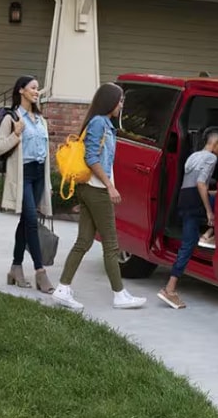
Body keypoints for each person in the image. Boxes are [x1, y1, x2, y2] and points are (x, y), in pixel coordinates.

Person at [51, 83, 146, 311]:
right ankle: (119, 295)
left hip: (90, 189)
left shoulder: (103, 123)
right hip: (96, 190)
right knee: (111, 245)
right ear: (109, 101)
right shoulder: (99, 123)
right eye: (120, 101)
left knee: (84, 241)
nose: (121, 105)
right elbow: (92, 158)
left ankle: (62, 289)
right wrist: (109, 186)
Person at [0, 75, 55, 294]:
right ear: (21, 90)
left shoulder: (41, 120)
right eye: (33, 88)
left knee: (26, 221)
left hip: (39, 175)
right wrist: (16, 134)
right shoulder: (12, 118)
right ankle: (40, 271)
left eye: (38, 88)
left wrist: (48, 184)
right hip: (23, 176)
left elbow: (45, 155)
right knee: (31, 222)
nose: (37, 92)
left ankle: (15, 267)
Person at [158, 127, 218, 309]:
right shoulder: (211, 158)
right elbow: (200, 184)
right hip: (196, 201)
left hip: (184, 199)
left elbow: (192, 184)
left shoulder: (193, 156)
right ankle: (209, 234)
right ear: (216, 143)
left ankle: (170, 287)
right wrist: (209, 212)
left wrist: (214, 194)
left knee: (188, 244)